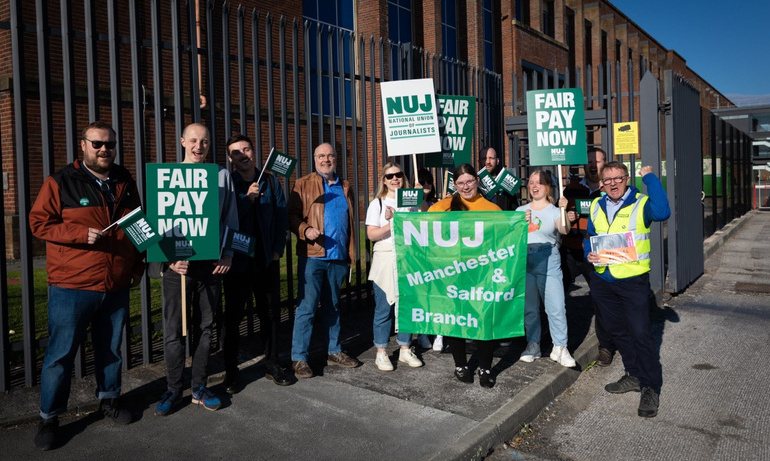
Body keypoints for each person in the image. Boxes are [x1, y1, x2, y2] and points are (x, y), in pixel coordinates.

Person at [29, 121, 144, 450]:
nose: (104, 149)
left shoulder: (123, 180)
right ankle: (49, 417)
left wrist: (136, 266)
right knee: (60, 355)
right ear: (83, 145)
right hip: (72, 285)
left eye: (109, 144)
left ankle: (109, 400)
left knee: (110, 350)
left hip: (115, 284)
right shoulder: (60, 181)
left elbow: (136, 224)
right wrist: (80, 234)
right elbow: (38, 222)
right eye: (97, 144)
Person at [155, 123, 239, 415]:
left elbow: (230, 218)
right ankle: (174, 388)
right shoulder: (168, 176)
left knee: (205, 328)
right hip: (176, 267)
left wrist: (227, 253)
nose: (198, 146)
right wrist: (169, 257)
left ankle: (199, 387)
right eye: (193, 140)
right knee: (173, 331)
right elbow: (159, 221)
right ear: (182, 141)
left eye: (204, 141)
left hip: (210, 265)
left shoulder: (221, 176)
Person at [585, 162, 670, 418]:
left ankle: (650, 386)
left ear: (627, 178)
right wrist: (587, 252)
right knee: (618, 331)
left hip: (632, 281)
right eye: (608, 179)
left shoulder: (641, 203)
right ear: (602, 182)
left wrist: (651, 178)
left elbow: (663, 211)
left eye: (618, 178)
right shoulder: (596, 204)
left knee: (641, 333)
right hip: (603, 279)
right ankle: (633, 375)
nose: (613, 183)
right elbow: (590, 235)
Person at [222, 134, 292, 392]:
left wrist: (276, 251)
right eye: (236, 152)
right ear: (231, 159)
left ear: (253, 151)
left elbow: (281, 218)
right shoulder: (227, 184)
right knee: (232, 318)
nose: (243, 155)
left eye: (246, 149)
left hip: (265, 260)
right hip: (236, 261)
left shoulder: (271, 182)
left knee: (271, 314)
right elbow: (222, 219)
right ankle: (230, 372)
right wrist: (246, 199)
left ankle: (272, 363)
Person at [288, 143, 360, 378]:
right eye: (321, 156)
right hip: (313, 256)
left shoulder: (345, 186)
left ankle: (334, 350)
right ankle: (299, 358)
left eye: (330, 155)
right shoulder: (303, 183)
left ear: (336, 159)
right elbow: (290, 215)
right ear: (314, 159)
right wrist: (304, 229)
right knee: (307, 308)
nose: (325, 159)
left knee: (333, 306)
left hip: (338, 257)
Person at [428, 163, 501, 388]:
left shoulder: (492, 209)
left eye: (469, 181)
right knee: (455, 320)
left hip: (481, 275)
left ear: (477, 182)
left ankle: (485, 368)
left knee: (483, 321)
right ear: (455, 185)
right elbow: (425, 224)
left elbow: (504, 238)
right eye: (460, 183)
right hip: (453, 275)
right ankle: (460, 365)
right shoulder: (445, 207)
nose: (466, 186)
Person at [366, 162, 424, 371]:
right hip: (385, 258)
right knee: (384, 308)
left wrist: (419, 200)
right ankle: (381, 352)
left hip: (408, 258)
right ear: (384, 180)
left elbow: (420, 229)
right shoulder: (378, 204)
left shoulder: (411, 199)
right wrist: (392, 223)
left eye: (398, 175)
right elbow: (371, 234)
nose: (394, 179)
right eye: (389, 176)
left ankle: (405, 348)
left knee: (407, 305)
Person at [561, 147, 615, 366]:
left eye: (598, 161)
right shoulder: (572, 188)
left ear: (605, 164)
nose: (594, 165)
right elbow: (559, 218)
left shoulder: (610, 189)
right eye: (590, 161)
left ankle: (606, 346)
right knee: (554, 295)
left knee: (601, 300)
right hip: (571, 251)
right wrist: (565, 214)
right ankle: (555, 340)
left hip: (596, 253)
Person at [516, 170, 576, 368]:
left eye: (539, 183)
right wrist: (518, 224)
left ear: (548, 187)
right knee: (530, 308)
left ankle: (560, 346)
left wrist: (563, 211)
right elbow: (511, 238)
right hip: (525, 260)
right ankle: (533, 345)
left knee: (556, 306)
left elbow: (565, 230)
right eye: (531, 182)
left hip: (548, 259)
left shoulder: (553, 210)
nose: (534, 186)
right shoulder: (520, 210)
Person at [415, 168, 441, 351]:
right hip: (417, 256)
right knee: (422, 296)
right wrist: (416, 198)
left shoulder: (436, 203)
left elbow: (432, 214)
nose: (426, 186)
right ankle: (423, 333)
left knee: (438, 293)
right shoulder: (409, 203)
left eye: (428, 183)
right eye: (422, 182)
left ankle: (440, 332)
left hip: (436, 255)